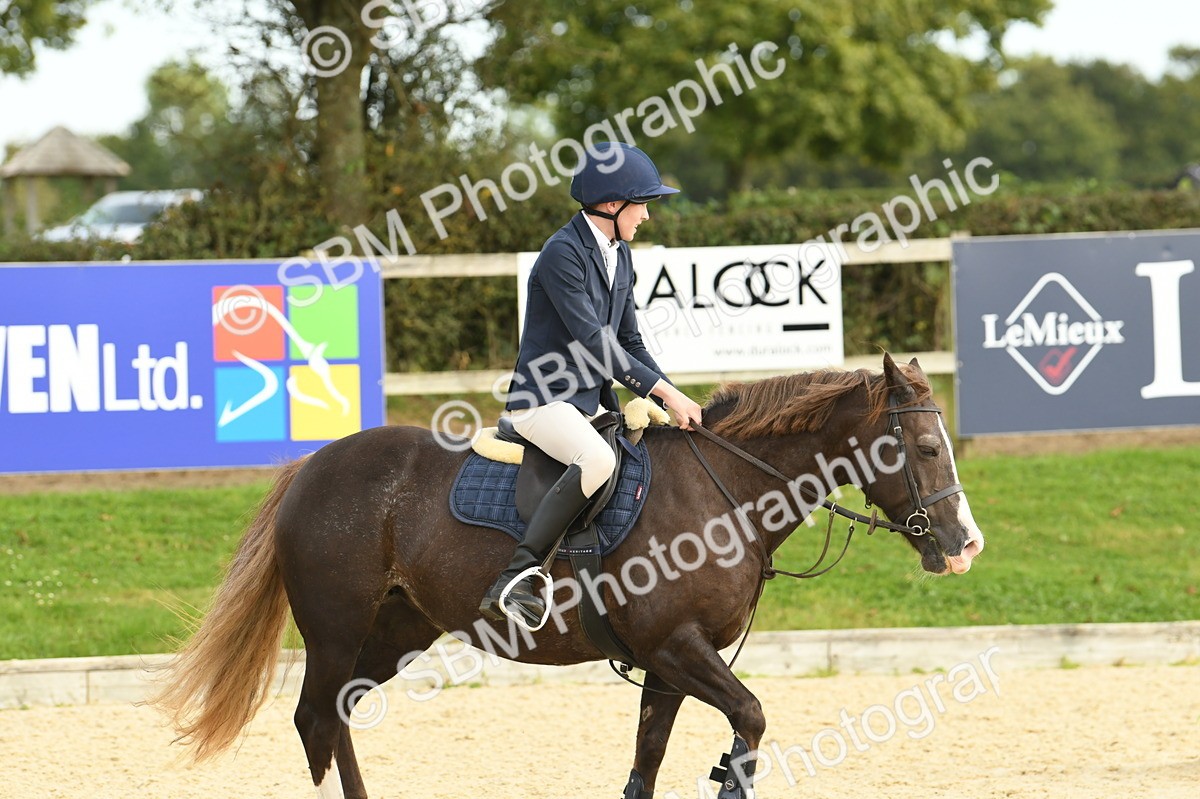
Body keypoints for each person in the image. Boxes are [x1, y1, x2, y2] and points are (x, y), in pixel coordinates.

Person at [478, 141, 704, 628]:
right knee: (597, 459)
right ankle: (517, 578)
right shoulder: (562, 253)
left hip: (587, 404)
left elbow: (629, 341)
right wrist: (664, 393)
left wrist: (668, 391)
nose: (646, 216)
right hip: (542, 401)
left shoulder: (620, 257)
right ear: (611, 204)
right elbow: (596, 345)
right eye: (642, 204)